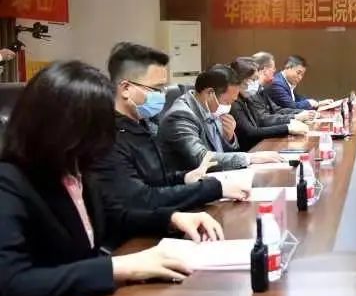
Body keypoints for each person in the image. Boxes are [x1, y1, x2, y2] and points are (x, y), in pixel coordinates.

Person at [0, 61, 224, 296]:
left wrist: (172, 218)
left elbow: (117, 214)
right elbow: (12, 283)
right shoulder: (9, 181)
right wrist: (119, 267)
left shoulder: (75, 169)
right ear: (59, 127)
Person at [89, 43, 249, 215]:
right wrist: (213, 188)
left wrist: (185, 178)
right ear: (126, 89)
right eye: (156, 88)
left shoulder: (142, 124)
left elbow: (157, 179)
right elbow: (142, 198)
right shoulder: (109, 138)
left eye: (163, 88)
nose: (162, 95)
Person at [157, 64, 283, 171]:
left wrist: (229, 138)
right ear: (209, 93)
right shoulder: (181, 116)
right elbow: (202, 159)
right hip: (193, 183)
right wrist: (250, 157)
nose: (229, 106)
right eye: (227, 102)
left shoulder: (211, 107)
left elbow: (222, 152)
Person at [230, 57, 309, 150]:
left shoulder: (246, 97)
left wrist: (295, 118)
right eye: (254, 79)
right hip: (250, 151)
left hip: (258, 146)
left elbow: (275, 111)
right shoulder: (235, 102)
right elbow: (252, 131)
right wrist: (287, 128)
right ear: (242, 79)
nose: (256, 83)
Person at [268, 55, 333, 110]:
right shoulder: (277, 84)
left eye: (302, 75)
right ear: (287, 67)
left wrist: (318, 103)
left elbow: (298, 99)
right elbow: (291, 106)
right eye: (298, 73)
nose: (300, 77)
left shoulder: (288, 82)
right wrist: (310, 103)